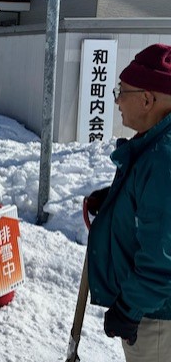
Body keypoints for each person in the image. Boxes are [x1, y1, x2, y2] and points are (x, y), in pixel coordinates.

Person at [86, 43, 171, 361]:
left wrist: (129, 308)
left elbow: (163, 256)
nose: (118, 100)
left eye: (122, 91)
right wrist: (118, 202)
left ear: (148, 99)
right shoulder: (155, 145)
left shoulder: (164, 158)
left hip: (158, 317)